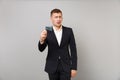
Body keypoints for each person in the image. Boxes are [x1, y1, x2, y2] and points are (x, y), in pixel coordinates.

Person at [38, 8, 77, 80]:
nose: (58, 19)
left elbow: (73, 50)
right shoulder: (47, 31)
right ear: (51, 18)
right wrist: (41, 40)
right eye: (56, 17)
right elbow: (41, 49)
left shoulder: (69, 31)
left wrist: (74, 68)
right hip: (52, 66)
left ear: (62, 18)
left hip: (66, 66)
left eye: (60, 17)